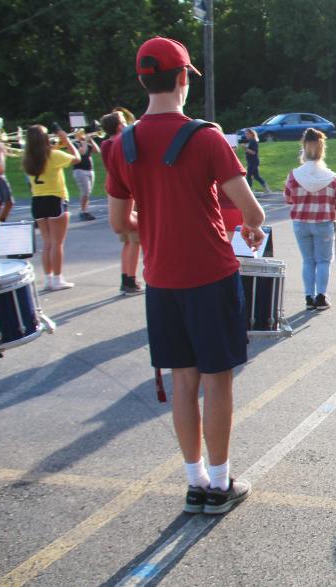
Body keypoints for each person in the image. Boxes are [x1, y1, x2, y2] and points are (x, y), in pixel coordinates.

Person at [105, 36, 265, 515]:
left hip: (162, 281)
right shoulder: (207, 137)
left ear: (141, 80)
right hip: (210, 275)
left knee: (182, 380)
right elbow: (251, 210)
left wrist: (154, 227)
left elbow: (120, 226)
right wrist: (253, 229)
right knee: (218, 380)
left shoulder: (120, 145)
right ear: (182, 80)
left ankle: (194, 481)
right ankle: (220, 483)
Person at [283, 128, 336, 310]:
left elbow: (287, 198)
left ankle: (308, 296)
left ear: (304, 148)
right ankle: (321, 296)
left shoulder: (294, 175)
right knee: (323, 261)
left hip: (301, 223)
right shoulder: (330, 178)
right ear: (321, 149)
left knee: (308, 260)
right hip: (323, 222)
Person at [23, 124, 80, 291]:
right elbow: (77, 157)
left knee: (47, 242)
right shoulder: (53, 155)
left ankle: (48, 278)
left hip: (37, 200)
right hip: (55, 198)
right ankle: (57, 278)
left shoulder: (28, 158)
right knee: (57, 243)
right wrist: (66, 139)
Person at [100, 110, 143, 295]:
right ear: (119, 126)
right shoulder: (121, 144)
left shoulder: (105, 144)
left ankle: (126, 276)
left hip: (117, 194)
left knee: (127, 241)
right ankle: (131, 281)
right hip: (127, 195)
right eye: (124, 121)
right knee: (135, 241)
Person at [72, 129, 99, 221]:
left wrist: (91, 140)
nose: (82, 135)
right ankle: (83, 212)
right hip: (80, 170)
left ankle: (85, 211)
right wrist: (84, 141)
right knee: (85, 192)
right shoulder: (74, 143)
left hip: (90, 170)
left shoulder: (86, 143)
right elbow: (82, 152)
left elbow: (97, 150)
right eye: (80, 133)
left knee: (88, 192)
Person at [241, 128, 270, 193]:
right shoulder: (250, 142)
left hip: (253, 162)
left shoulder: (253, 142)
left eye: (247, 134)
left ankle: (249, 190)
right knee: (256, 176)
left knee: (248, 175)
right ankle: (266, 187)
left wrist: (245, 148)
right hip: (251, 162)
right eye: (245, 134)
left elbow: (254, 152)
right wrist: (246, 148)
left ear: (252, 134)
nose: (246, 135)